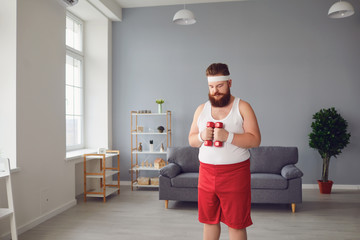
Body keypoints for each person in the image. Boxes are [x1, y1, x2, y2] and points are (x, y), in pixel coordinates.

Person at [188, 63, 261, 240]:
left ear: (229, 83)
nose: (215, 91)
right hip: (205, 173)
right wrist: (202, 136)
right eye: (211, 87)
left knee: (236, 223)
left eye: (219, 86)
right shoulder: (201, 109)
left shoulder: (243, 107)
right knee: (209, 221)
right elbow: (191, 140)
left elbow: (255, 140)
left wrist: (228, 136)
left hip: (235, 174)